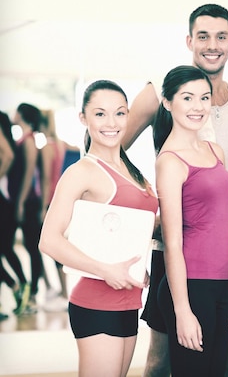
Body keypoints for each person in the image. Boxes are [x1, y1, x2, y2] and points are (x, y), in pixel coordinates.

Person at [123, 3, 228, 377]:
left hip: (225, 250)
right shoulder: (160, 92)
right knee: (163, 358)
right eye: (203, 36)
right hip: (177, 250)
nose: (211, 45)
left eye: (220, 37)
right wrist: (150, 203)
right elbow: (109, 149)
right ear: (189, 41)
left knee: (220, 359)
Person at [38, 79, 159, 376]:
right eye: (100, 114)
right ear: (83, 118)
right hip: (96, 302)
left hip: (129, 301)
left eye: (119, 113)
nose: (111, 122)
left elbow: (126, 229)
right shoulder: (81, 172)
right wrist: (106, 270)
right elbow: (49, 241)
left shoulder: (133, 170)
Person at [153, 65, 228, 376]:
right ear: (167, 102)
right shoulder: (169, 161)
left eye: (204, 98)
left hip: (223, 284)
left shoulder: (214, 150)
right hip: (192, 286)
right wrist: (182, 310)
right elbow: (173, 242)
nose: (198, 107)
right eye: (188, 98)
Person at [39, 109, 81, 310]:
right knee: (59, 245)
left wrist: (42, 207)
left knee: (52, 246)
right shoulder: (61, 145)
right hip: (62, 199)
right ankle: (63, 292)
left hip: (50, 200)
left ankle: (63, 293)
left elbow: (46, 179)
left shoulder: (47, 147)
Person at [9, 103, 44, 315]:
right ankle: (26, 289)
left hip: (29, 201)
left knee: (32, 247)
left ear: (22, 114)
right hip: (25, 200)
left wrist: (20, 202)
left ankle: (32, 294)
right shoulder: (23, 140)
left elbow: (30, 175)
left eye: (16, 111)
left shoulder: (29, 141)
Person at [0, 110, 29, 319]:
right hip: (7, 202)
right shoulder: (12, 139)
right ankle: (19, 286)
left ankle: (20, 286)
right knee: (6, 250)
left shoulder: (13, 144)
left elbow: (7, 155)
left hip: (4, 203)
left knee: (6, 250)